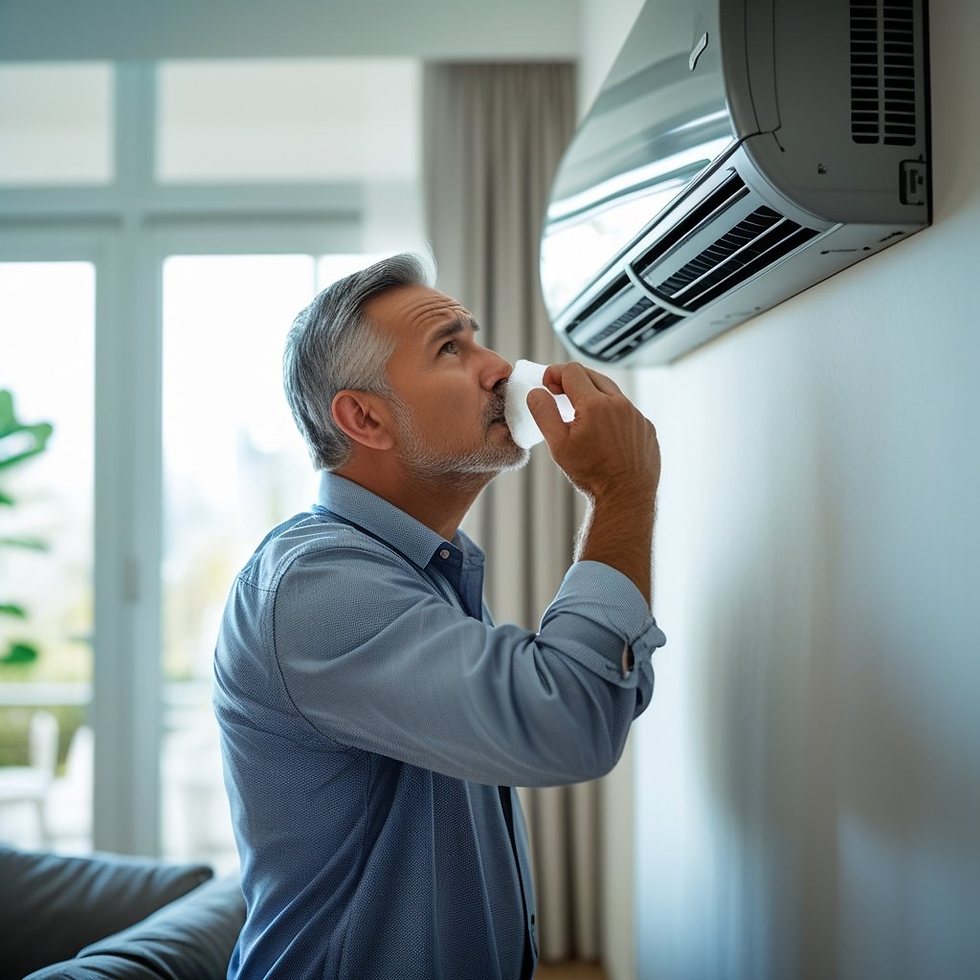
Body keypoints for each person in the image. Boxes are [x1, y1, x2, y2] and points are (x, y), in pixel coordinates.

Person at [212, 252, 666, 980]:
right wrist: (621, 495)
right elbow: (572, 721)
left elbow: (604, 694)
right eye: (450, 348)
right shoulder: (320, 587)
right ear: (364, 417)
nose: (497, 367)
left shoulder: (423, 569)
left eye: (475, 338)